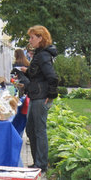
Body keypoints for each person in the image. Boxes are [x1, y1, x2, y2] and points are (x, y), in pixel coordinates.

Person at [23, 25, 58, 172]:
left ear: (40, 38)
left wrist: (50, 95)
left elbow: (52, 77)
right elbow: (39, 75)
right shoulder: (40, 54)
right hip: (36, 95)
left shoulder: (43, 55)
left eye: (32, 37)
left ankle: (41, 164)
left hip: (40, 97)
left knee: (38, 130)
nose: (30, 40)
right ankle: (38, 162)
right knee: (31, 129)